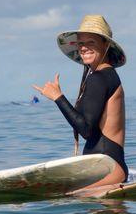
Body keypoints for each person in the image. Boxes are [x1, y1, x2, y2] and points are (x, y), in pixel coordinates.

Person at [33, 15, 128, 195]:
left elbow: (85, 129)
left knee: (56, 197)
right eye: (81, 43)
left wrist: (58, 97)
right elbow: (87, 123)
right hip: (104, 169)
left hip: (106, 171)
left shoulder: (99, 78)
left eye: (91, 42)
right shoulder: (106, 75)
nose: (83, 48)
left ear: (105, 45)